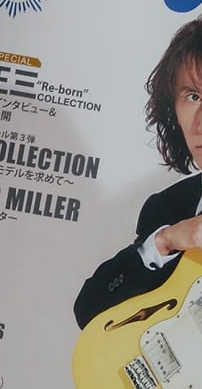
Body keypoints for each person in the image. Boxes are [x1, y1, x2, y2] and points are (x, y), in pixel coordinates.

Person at [74, 17, 202, 329]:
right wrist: (165, 241)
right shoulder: (169, 207)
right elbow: (89, 311)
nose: (200, 123)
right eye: (193, 97)